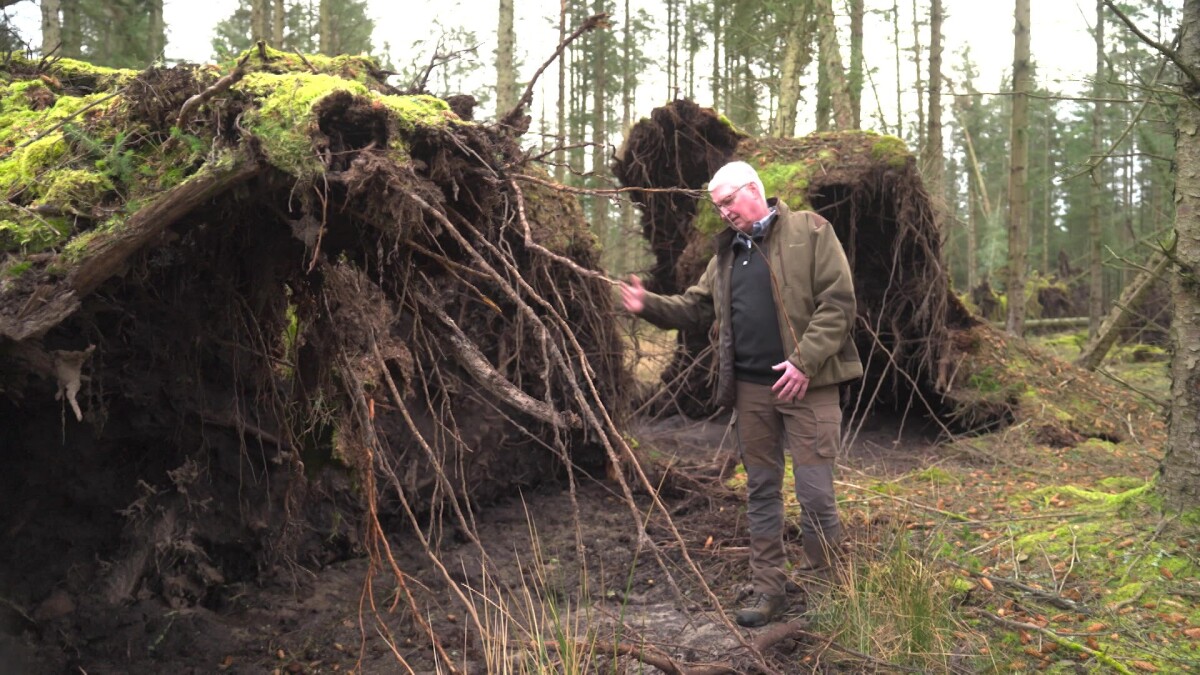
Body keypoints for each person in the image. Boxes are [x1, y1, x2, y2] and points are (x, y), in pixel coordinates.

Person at [620, 161, 862, 628]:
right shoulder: (727, 256)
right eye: (718, 207)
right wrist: (648, 305)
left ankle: (827, 592)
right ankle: (770, 589)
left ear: (754, 189)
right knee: (761, 490)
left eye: (729, 201)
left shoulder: (811, 231)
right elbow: (695, 307)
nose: (725, 212)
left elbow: (838, 304)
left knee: (815, 494)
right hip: (752, 390)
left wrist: (804, 361)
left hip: (809, 385)